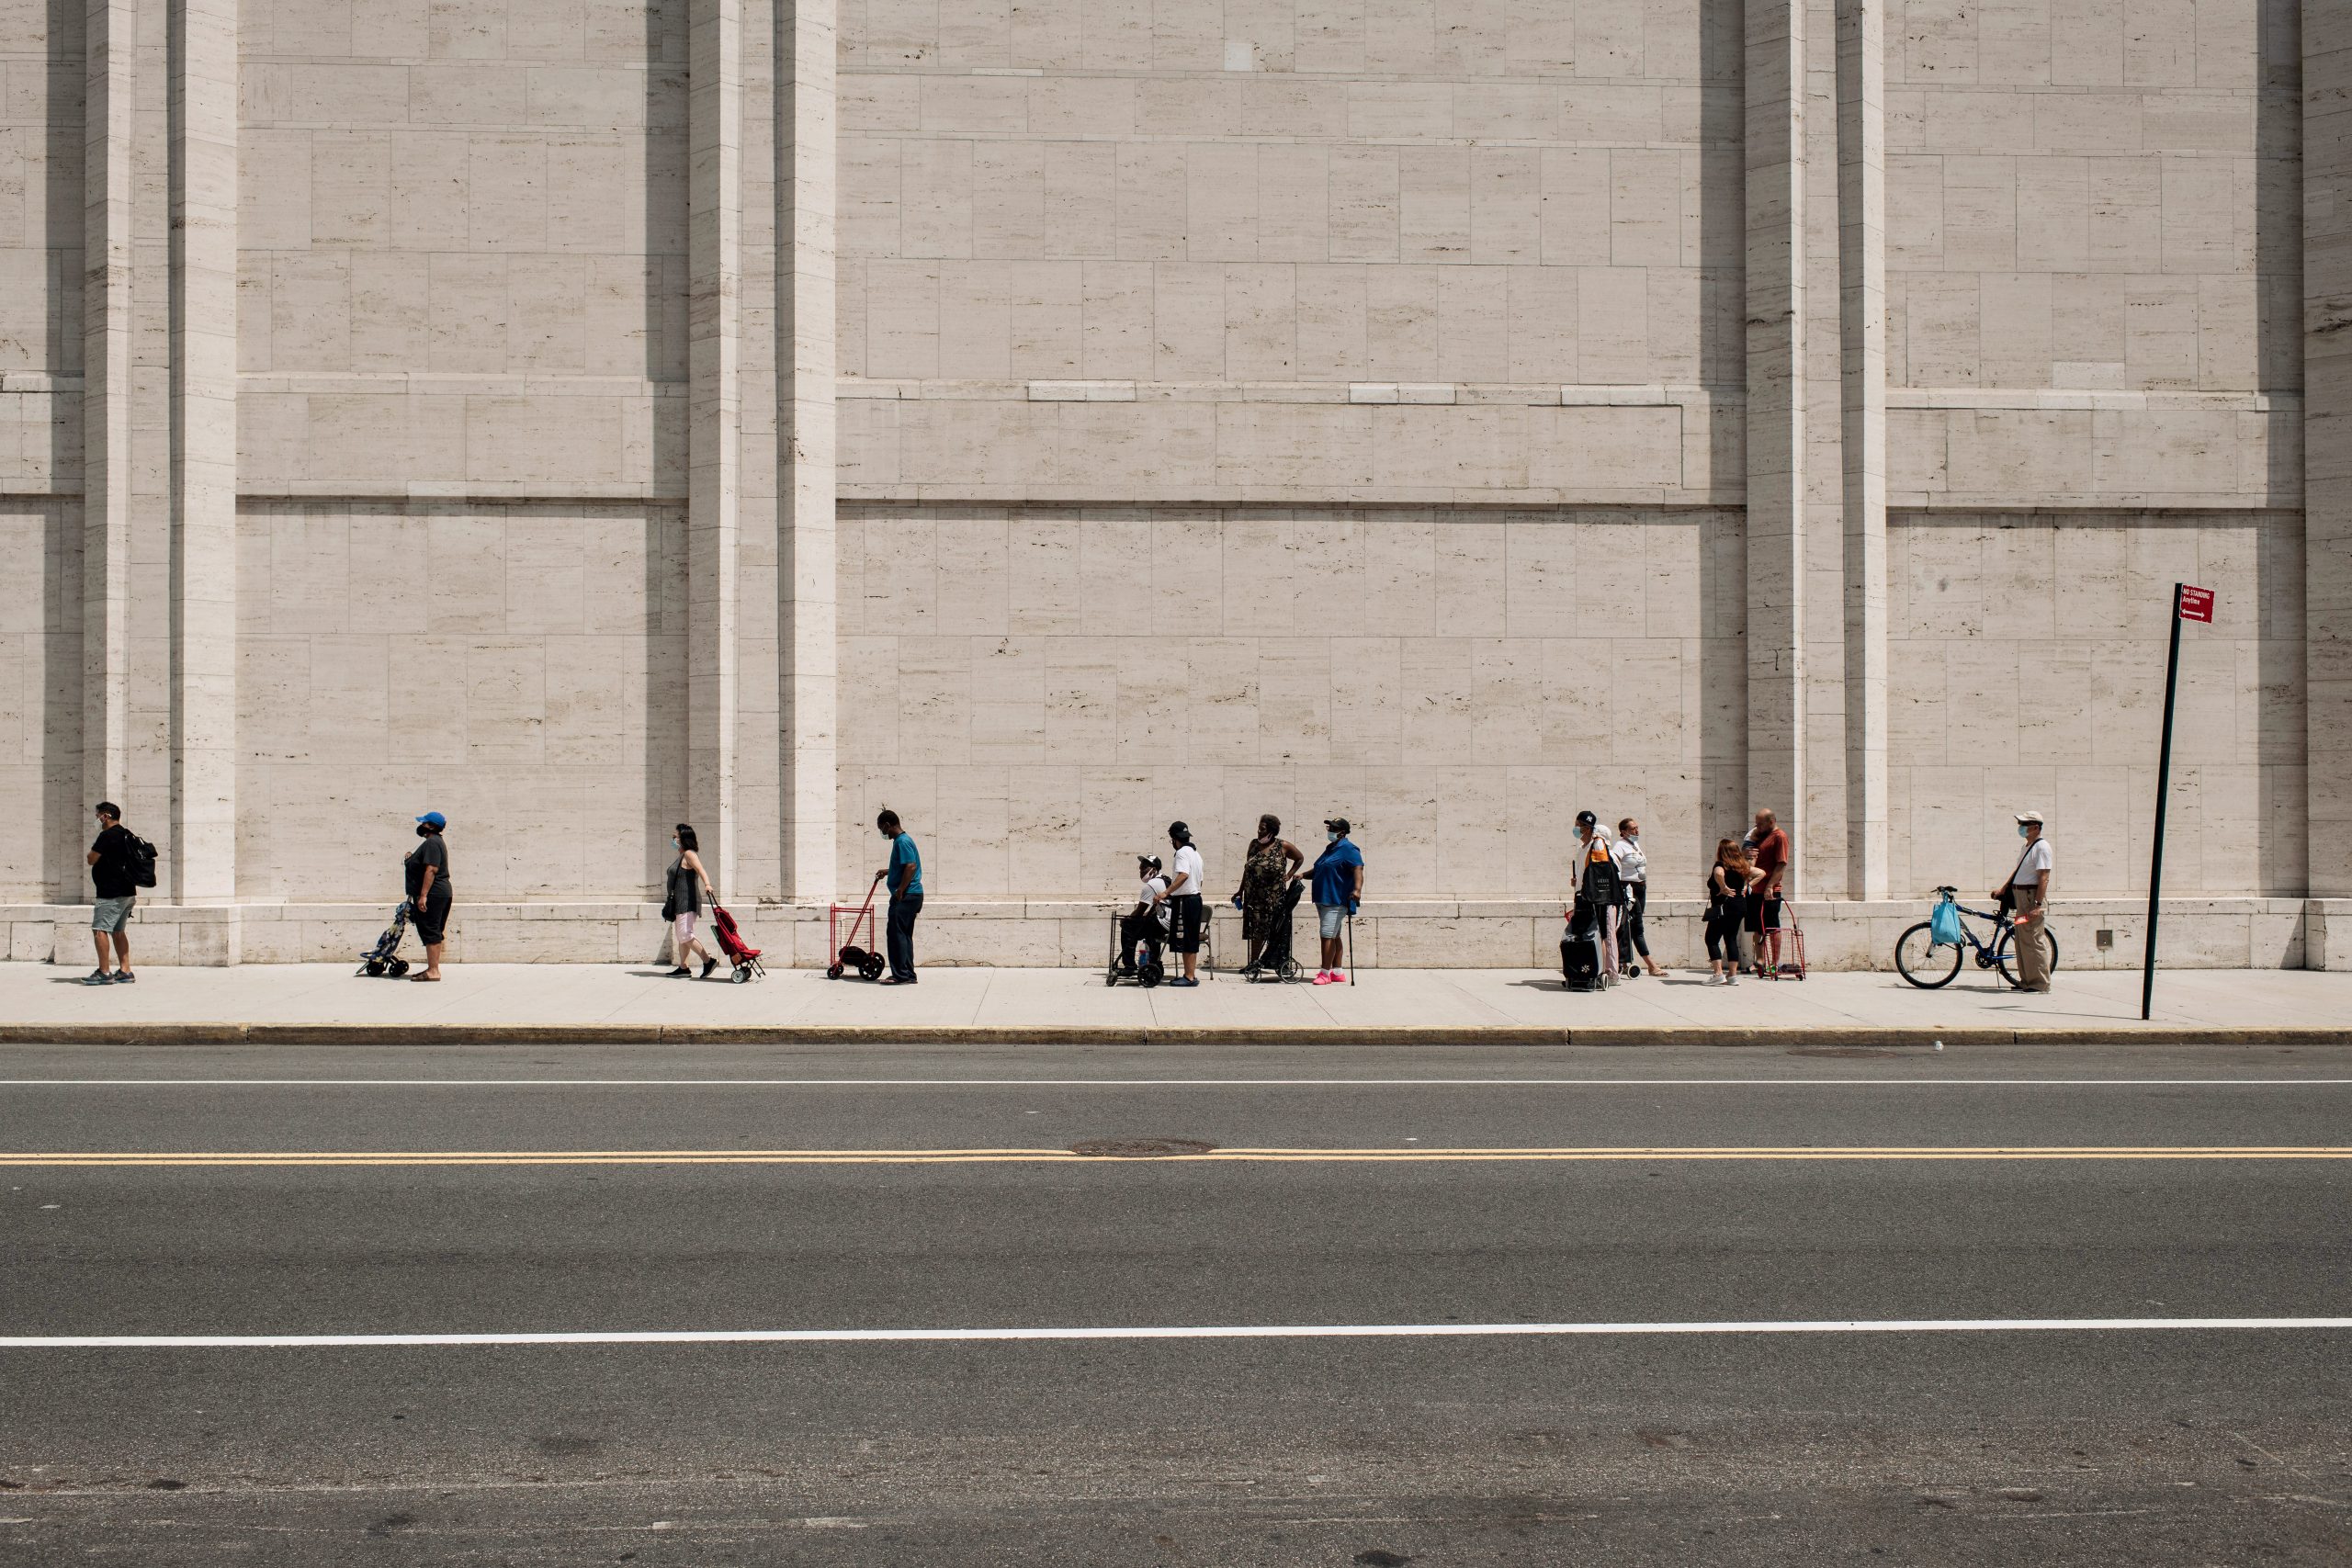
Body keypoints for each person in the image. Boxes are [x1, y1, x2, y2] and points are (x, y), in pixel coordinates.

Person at [1234, 814, 1304, 974]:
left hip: (1274, 897)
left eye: (1263, 829)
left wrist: (1289, 875)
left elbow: (1300, 858)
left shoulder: (1283, 846)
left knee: (1274, 931)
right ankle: (1253, 964)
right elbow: (1247, 870)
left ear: (1272, 831)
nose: (1259, 831)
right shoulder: (1253, 845)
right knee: (1255, 932)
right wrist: (1240, 890)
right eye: (1259, 828)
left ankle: (1276, 963)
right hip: (1253, 897)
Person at [84, 801, 139, 985]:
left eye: (97, 816)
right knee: (118, 931)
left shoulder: (106, 836)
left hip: (110, 892)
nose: (96, 820)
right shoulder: (127, 834)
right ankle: (125, 971)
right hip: (128, 891)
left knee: (100, 929)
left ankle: (104, 972)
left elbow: (91, 859)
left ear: (105, 816)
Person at [1998, 810, 2053, 993]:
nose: (2020, 828)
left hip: (2031, 898)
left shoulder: (2042, 847)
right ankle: (2027, 980)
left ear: (2035, 827)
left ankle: (2039, 983)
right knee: (2022, 939)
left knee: (2033, 939)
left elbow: (2044, 877)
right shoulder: (2027, 846)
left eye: (2024, 824)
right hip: (2020, 898)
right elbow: (2018, 871)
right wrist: (2004, 888)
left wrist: (2037, 905)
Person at [1309, 818, 1363, 984]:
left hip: (1336, 900)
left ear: (1342, 832)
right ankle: (1337, 972)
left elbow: (1358, 868)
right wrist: (1303, 875)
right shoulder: (1331, 848)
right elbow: (1320, 868)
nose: (1329, 830)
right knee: (1334, 935)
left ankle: (1324, 974)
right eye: (1329, 827)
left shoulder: (1349, 849)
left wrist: (1357, 890)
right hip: (1323, 898)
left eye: (1333, 828)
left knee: (1326, 935)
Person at [664, 823, 720, 978]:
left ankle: (708, 961)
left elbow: (701, 870)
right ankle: (684, 968)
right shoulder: (682, 855)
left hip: (687, 902)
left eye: (675, 837)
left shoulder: (690, 854)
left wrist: (707, 884)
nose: (673, 839)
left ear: (683, 838)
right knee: (682, 937)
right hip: (679, 902)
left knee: (685, 935)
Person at [1613, 817, 1666, 978]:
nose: (1637, 831)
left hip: (1641, 888)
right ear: (1623, 832)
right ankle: (1651, 965)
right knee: (1637, 927)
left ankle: (1622, 962)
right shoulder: (1620, 846)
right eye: (1633, 829)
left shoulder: (1634, 844)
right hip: (1630, 889)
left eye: (1637, 827)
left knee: (1632, 926)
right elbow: (1613, 865)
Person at [1569, 810, 1620, 968]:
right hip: (1581, 896)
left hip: (1594, 898)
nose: (1576, 828)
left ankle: (1605, 971)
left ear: (1587, 828)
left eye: (1578, 825)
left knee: (1601, 934)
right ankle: (1590, 970)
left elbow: (1601, 871)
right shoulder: (1581, 848)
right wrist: (1577, 882)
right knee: (1585, 934)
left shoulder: (1597, 843)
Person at [876, 808, 922, 985]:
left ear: (888, 825)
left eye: (881, 828)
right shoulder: (904, 841)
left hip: (907, 895)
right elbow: (905, 866)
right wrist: (889, 871)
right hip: (913, 895)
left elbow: (911, 867)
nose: (882, 832)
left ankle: (900, 975)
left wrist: (900, 890)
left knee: (896, 935)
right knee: (904, 935)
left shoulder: (901, 842)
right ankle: (908, 974)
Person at [405, 811, 451, 981]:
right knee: (434, 930)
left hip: (433, 894)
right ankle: (433, 969)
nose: (421, 825)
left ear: (431, 826)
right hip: (440, 892)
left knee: (431, 930)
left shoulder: (432, 843)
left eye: (424, 823)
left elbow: (431, 869)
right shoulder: (435, 842)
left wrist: (423, 895)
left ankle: (433, 971)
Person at [1745, 807, 1791, 977]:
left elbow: (1781, 864)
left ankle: (1774, 963)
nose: (1757, 827)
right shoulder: (1760, 836)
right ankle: (1759, 962)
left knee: (1772, 927)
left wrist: (1770, 886)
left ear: (1771, 822)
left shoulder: (1779, 837)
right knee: (1757, 927)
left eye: (1760, 824)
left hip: (1769, 890)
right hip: (1754, 888)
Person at [1705, 838, 1754, 985]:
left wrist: (1723, 887)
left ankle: (1718, 973)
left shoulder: (1721, 865)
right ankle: (1732, 976)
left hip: (1723, 906)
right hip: (1739, 905)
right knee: (1731, 938)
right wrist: (1747, 887)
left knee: (1711, 938)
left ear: (1722, 851)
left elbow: (1719, 873)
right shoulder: (1742, 866)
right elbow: (1761, 873)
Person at [1162, 820, 1205, 987]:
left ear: (1174, 839)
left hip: (1185, 900)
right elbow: (1199, 880)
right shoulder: (1196, 854)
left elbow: (1183, 875)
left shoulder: (1181, 853)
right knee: (1191, 937)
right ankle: (1191, 975)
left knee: (1184, 937)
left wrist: (1166, 892)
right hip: (1196, 898)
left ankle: (1188, 977)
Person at [1121, 853, 1171, 975]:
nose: (1141, 870)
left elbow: (1139, 912)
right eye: (1140, 868)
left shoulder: (1151, 885)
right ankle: (1153, 962)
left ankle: (1129, 965)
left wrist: (1127, 919)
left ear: (1154, 869)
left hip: (1164, 923)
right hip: (1172, 921)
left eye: (1144, 867)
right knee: (1149, 927)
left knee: (1128, 926)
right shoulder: (1166, 880)